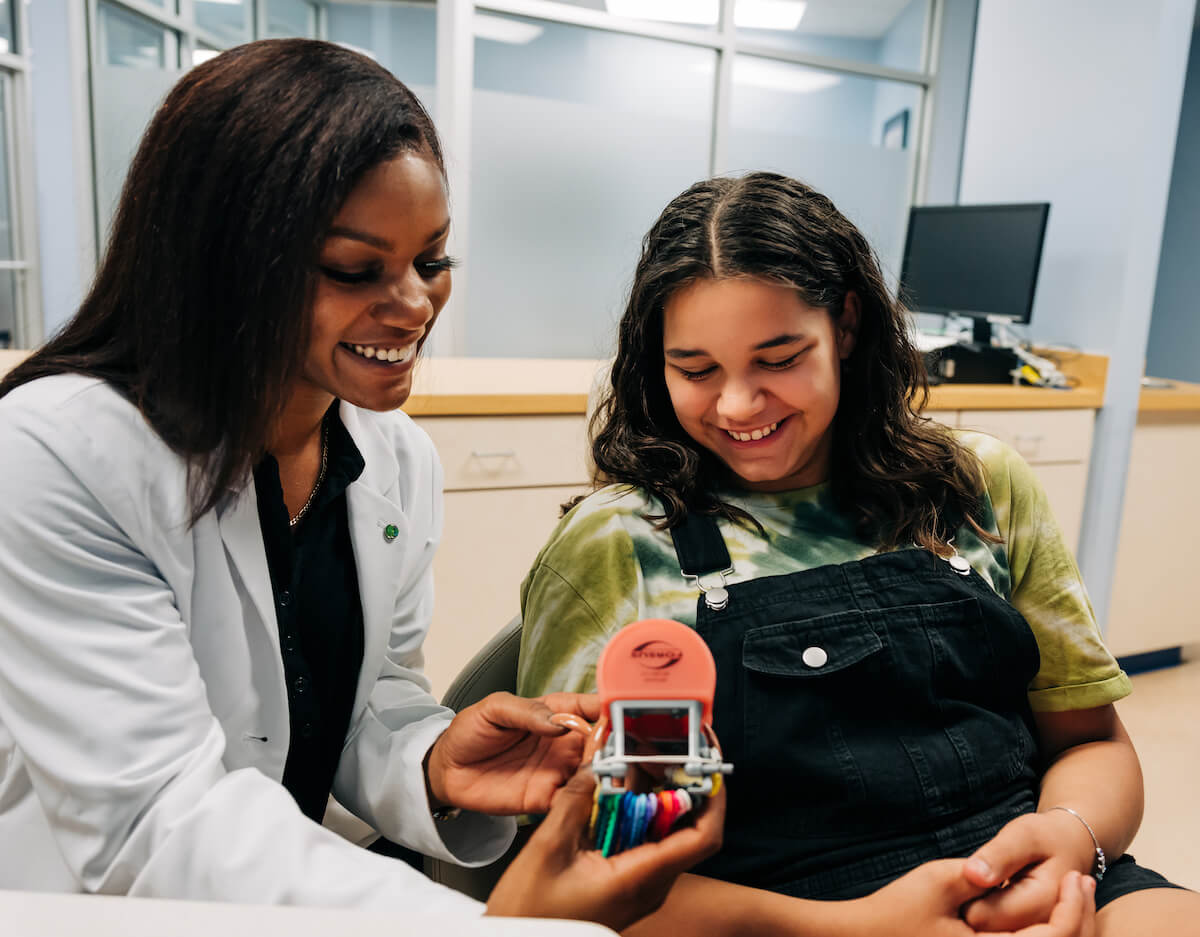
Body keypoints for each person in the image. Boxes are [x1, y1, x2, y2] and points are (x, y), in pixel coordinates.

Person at [0, 39, 725, 930]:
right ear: (225, 261)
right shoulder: (56, 453)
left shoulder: (391, 457)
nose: (414, 303)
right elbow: (156, 822)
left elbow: (362, 695)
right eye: (356, 268)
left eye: (433, 259)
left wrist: (432, 757)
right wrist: (496, 928)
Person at [517, 172, 1199, 935]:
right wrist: (864, 927)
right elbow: (593, 876)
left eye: (778, 358)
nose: (739, 404)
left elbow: (1093, 739)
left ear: (844, 325)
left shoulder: (979, 485)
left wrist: (1069, 840)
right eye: (696, 369)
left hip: (1024, 878)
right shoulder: (624, 549)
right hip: (781, 919)